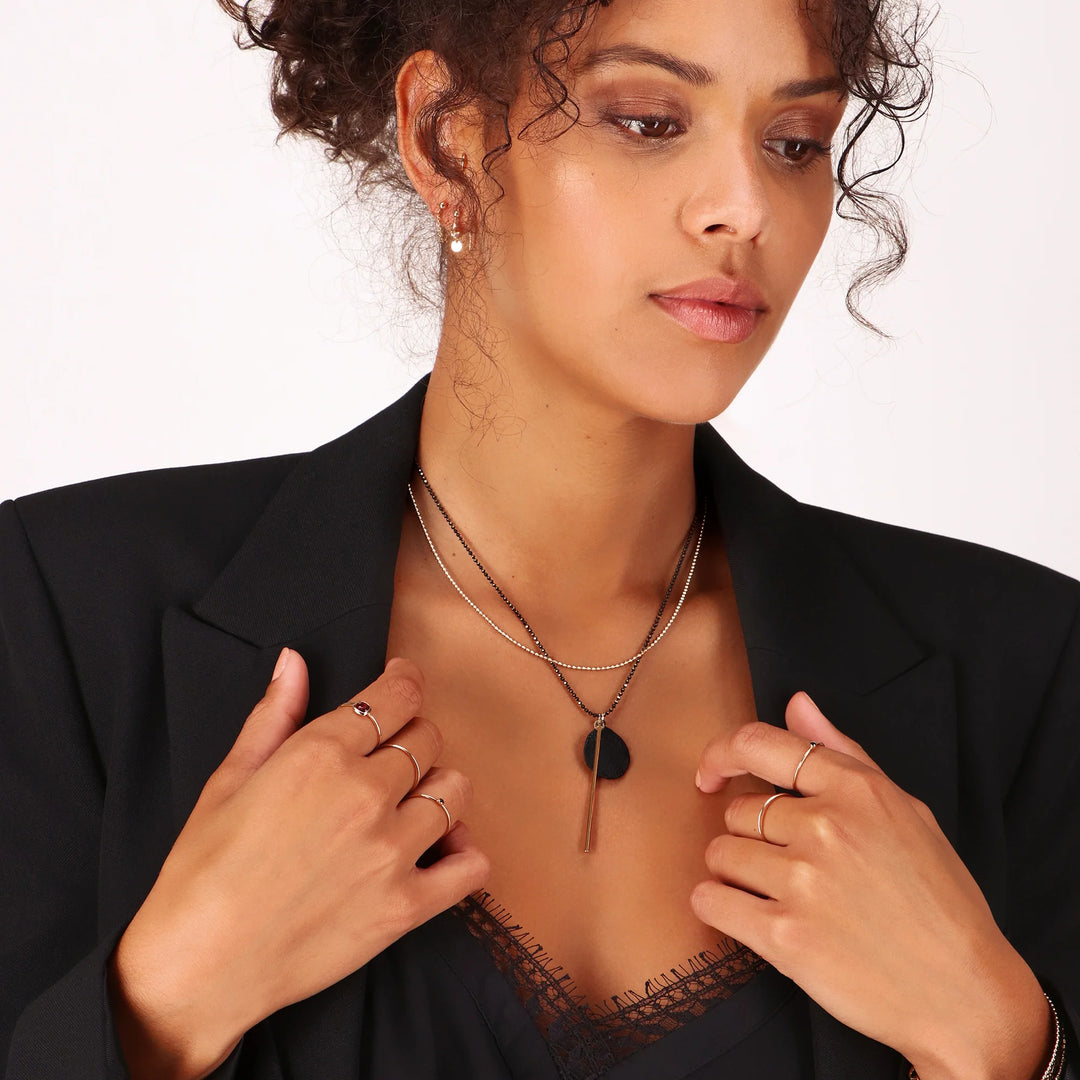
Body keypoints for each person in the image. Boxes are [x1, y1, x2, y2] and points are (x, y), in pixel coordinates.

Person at [2, 0, 1077, 1078]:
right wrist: (173, 994)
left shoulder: (1030, 671)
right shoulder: (59, 617)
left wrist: (998, 1038)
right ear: (446, 136)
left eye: (793, 142)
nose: (745, 208)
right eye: (650, 122)